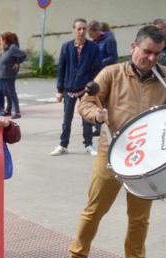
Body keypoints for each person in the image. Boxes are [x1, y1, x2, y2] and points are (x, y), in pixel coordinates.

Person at [63, 25, 166, 258]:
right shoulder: (111, 73)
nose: (151, 59)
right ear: (133, 47)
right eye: (147, 52)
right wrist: (96, 114)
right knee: (94, 210)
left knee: (139, 218)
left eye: (157, 54)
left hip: (147, 160)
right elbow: (86, 103)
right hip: (111, 153)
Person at [52, 19, 101, 156]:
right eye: (79, 29)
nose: (81, 31)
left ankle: (89, 145)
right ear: (73, 30)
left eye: (84, 29)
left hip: (86, 89)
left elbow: (97, 68)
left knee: (87, 118)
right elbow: (61, 68)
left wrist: (93, 86)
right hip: (69, 88)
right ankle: (63, 145)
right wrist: (59, 90)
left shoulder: (93, 47)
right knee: (67, 119)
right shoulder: (66, 47)